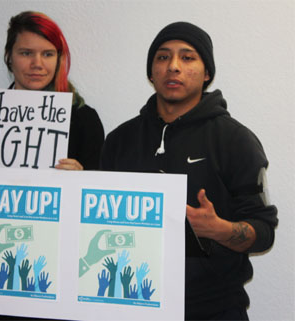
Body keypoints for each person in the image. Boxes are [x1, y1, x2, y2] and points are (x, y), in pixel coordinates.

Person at [100, 22, 278, 320]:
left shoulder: (236, 140)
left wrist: (220, 230)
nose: (173, 67)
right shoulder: (119, 140)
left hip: (213, 308)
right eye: (162, 57)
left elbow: (264, 232)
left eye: (187, 57)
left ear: (206, 72)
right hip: (129, 304)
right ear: (151, 72)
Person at [0, 11, 104, 320]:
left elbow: (98, 200)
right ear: (9, 57)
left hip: (51, 271)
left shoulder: (83, 118)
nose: (37, 63)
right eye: (26, 53)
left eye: (47, 53)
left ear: (59, 58)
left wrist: (83, 179)